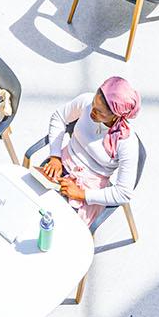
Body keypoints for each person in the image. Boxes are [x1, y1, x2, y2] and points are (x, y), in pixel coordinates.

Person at [39, 78, 141, 226]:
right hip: (60, 165)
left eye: (100, 112)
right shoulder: (86, 101)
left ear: (116, 115)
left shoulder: (127, 142)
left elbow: (124, 192)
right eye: (94, 104)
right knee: (32, 205)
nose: (92, 112)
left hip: (88, 189)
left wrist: (81, 194)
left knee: (59, 226)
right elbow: (59, 117)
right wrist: (55, 156)